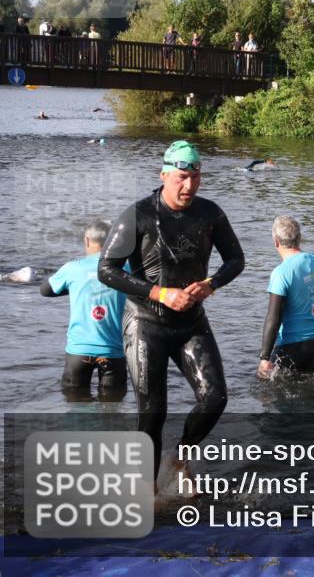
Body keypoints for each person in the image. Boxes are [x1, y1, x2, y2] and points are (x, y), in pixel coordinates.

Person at [99, 140, 245, 486]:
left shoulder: (210, 214)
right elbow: (106, 269)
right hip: (146, 323)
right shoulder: (139, 215)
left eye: (195, 178)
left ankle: (180, 458)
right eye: (181, 178)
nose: (189, 186)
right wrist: (157, 292)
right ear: (164, 175)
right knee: (153, 412)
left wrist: (211, 285)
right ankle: (146, 492)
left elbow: (236, 259)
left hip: (191, 321)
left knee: (215, 398)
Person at [41, 220, 127, 402]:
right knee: (111, 409)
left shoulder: (72, 269)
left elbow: (45, 290)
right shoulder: (126, 269)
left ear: (87, 241)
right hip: (113, 352)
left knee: (76, 405)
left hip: (78, 352)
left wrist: (73, 287)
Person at [257, 216, 314, 378]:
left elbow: (274, 318)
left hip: (291, 346)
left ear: (275, 241)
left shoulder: (281, 273)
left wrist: (265, 357)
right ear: (299, 238)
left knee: (270, 387)